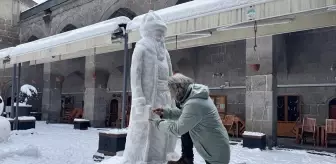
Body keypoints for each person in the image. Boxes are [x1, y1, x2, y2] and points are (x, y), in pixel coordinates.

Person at [122, 10, 176, 163]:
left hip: (164, 97)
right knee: (146, 131)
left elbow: (171, 76)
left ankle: (160, 158)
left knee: (163, 130)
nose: (160, 37)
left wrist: (172, 95)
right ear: (149, 32)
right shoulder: (142, 48)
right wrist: (139, 97)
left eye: (161, 33)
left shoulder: (165, 53)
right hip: (148, 98)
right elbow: (135, 74)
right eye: (157, 33)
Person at [150, 73, 231, 164]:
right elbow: (185, 114)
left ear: (178, 90)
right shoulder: (195, 97)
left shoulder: (194, 103)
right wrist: (165, 112)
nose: (172, 96)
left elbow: (177, 129)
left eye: (172, 92)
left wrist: (158, 123)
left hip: (216, 153)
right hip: (215, 148)